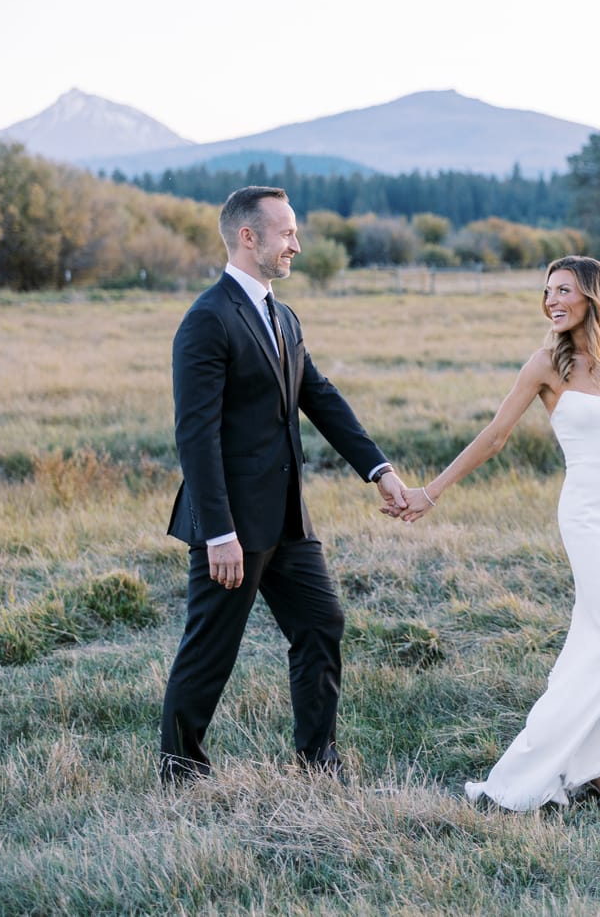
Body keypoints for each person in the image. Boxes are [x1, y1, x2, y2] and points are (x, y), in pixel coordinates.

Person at [395, 255, 600, 812]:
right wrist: (429, 493)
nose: (552, 301)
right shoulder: (545, 365)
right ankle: (530, 772)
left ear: (594, 297)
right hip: (584, 515)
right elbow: (493, 437)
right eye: (548, 291)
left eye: (564, 290)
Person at [160, 186, 409, 784]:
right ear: (250, 237)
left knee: (321, 625)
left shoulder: (281, 313)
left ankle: (316, 761)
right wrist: (218, 532)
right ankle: (180, 768)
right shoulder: (207, 319)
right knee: (211, 649)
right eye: (287, 232)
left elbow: (317, 395)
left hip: (290, 520)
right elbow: (196, 437)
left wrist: (379, 469)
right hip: (232, 526)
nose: (296, 243)